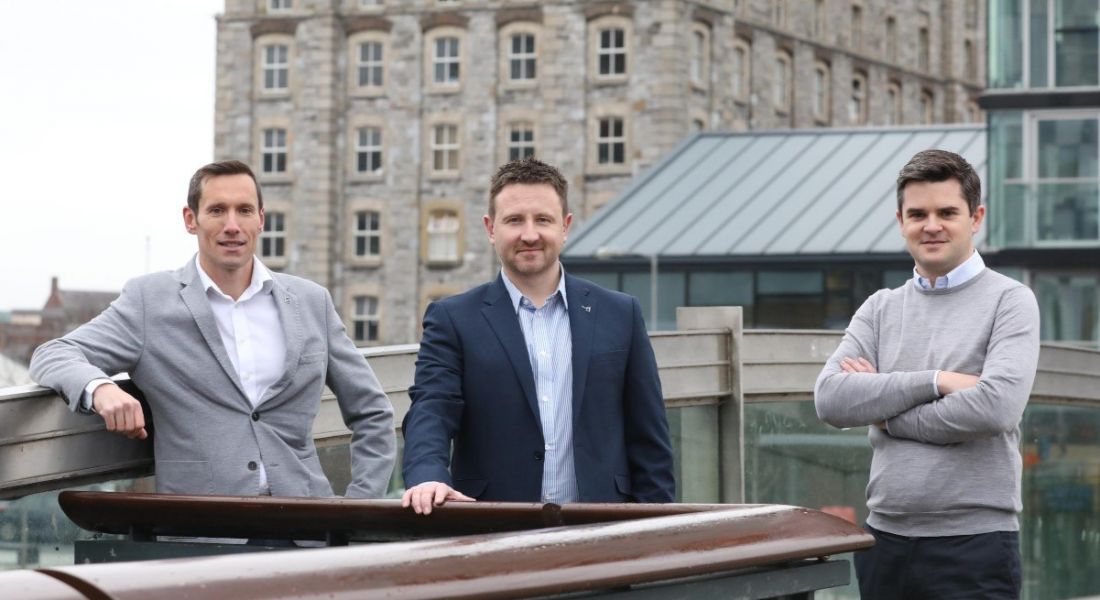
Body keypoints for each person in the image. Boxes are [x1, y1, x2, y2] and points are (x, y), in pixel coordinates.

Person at [30, 160, 396, 498]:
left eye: (244, 211)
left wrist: (359, 509)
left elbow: (372, 411)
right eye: (217, 210)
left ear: (261, 220)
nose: (232, 225)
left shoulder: (311, 302)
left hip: (307, 530)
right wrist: (101, 388)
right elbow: (53, 354)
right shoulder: (150, 301)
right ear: (191, 220)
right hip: (202, 532)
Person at [814, 149, 1039, 599]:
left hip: (974, 546)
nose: (930, 225)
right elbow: (832, 399)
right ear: (900, 220)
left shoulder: (1010, 302)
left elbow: (994, 408)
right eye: (917, 213)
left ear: (976, 218)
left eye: (946, 212)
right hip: (885, 541)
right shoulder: (879, 308)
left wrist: (885, 415)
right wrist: (936, 381)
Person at [401, 157, 675, 514]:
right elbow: (432, 408)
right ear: (490, 228)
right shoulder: (452, 319)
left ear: (565, 226)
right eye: (514, 220)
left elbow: (650, 440)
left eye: (542, 220)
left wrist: (657, 537)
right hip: (492, 528)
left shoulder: (621, 314)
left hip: (603, 531)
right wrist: (427, 475)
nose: (529, 234)